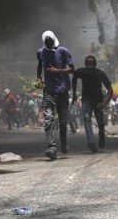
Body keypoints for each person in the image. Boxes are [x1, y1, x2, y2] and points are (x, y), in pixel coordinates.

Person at [36, 30, 74, 160]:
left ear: (54, 40)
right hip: (48, 92)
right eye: (47, 42)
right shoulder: (40, 52)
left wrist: (58, 70)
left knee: (62, 122)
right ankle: (51, 147)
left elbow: (72, 69)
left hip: (62, 91)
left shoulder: (63, 51)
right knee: (49, 120)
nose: (49, 43)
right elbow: (39, 65)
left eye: (50, 41)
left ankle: (63, 142)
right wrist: (39, 78)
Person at [72, 55, 113, 152]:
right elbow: (110, 90)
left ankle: (92, 140)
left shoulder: (82, 71)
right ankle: (96, 138)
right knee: (99, 121)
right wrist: (105, 102)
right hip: (96, 100)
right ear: (95, 64)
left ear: (85, 64)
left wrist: (74, 93)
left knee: (88, 121)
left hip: (89, 100)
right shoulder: (100, 73)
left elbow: (74, 77)